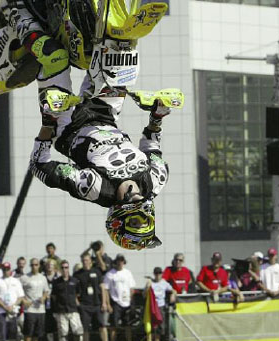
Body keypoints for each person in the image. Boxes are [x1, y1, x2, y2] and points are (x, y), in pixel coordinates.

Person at [30, 92, 175, 251]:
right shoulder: (156, 179)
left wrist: (48, 121)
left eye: (134, 221)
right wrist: (157, 115)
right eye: (146, 220)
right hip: (106, 113)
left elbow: (39, 165)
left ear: (118, 220)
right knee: (124, 67)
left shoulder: (95, 188)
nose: (142, 213)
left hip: (68, 124)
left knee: (53, 72)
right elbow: (152, 146)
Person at [74, 253, 114, 341]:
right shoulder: (78, 274)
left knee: (102, 326)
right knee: (85, 327)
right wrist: (78, 303)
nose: (85, 262)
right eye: (83, 260)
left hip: (97, 304)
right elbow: (74, 290)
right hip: (84, 305)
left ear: (90, 261)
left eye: (87, 260)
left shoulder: (97, 272)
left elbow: (103, 288)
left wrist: (104, 302)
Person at [50, 260, 90, 341]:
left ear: (68, 268)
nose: (64, 269)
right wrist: (54, 311)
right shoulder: (56, 282)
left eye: (66, 267)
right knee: (63, 330)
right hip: (61, 310)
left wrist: (77, 305)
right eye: (62, 267)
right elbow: (54, 297)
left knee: (78, 329)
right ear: (60, 269)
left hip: (73, 309)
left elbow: (77, 294)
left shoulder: (74, 281)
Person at [102, 254, 136, 341]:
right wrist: (108, 304)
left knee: (128, 325)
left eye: (122, 261)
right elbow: (106, 289)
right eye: (118, 261)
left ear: (124, 262)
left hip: (126, 302)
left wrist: (130, 300)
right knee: (114, 325)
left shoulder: (128, 273)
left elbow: (131, 288)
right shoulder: (110, 274)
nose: (120, 263)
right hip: (115, 302)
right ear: (116, 262)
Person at [20, 258, 48, 341]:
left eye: (36, 265)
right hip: (30, 309)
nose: (34, 267)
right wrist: (24, 301)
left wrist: (44, 298)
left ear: (39, 266)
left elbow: (46, 291)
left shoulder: (43, 278)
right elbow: (18, 292)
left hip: (40, 309)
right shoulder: (24, 278)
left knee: (38, 332)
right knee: (28, 332)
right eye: (32, 265)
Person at [147, 267, 176, 341]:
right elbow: (144, 294)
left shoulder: (164, 283)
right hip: (152, 306)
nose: (158, 275)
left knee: (160, 327)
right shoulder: (151, 283)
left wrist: (172, 295)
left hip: (161, 306)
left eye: (159, 273)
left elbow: (173, 290)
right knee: (151, 327)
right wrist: (147, 287)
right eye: (156, 273)